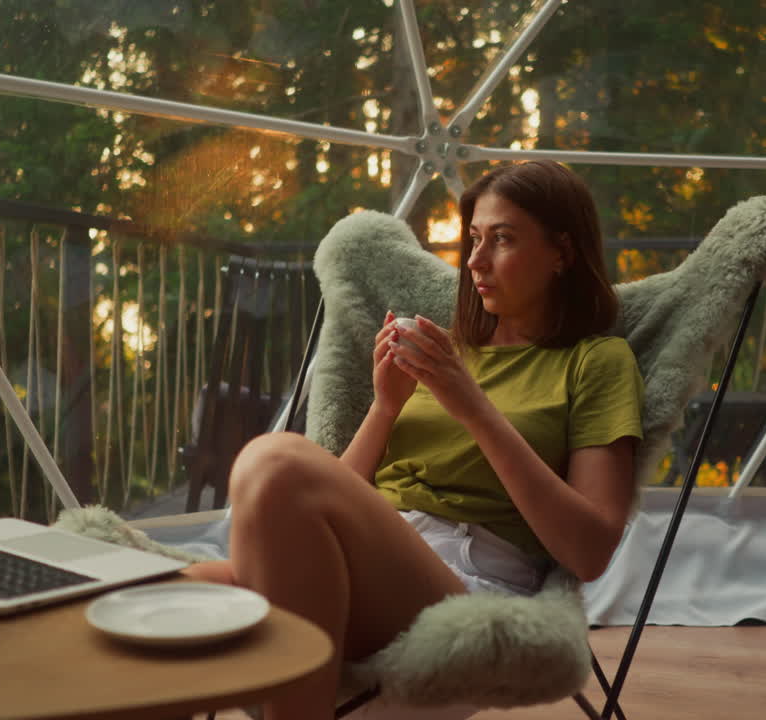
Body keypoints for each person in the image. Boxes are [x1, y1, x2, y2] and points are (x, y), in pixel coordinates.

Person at [183, 160, 644, 720]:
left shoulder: (596, 362)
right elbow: (316, 499)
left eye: (501, 239)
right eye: (473, 238)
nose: (474, 260)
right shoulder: (445, 353)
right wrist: (386, 404)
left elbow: (589, 548)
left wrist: (470, 404)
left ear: (562, 253)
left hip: (467, 581)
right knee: (174, 593)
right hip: (372, 555)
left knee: (276, 459)